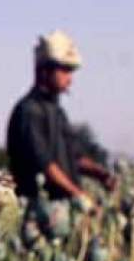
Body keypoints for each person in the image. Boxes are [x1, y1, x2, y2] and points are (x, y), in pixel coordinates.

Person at [6, 30, 116, 209]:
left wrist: (101, 174)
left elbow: (75, 157)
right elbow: (45, 164)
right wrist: (79, 195)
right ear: (44, 71)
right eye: (64, 70)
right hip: (37, 212)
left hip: (61, 210)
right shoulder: (29, 111)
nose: (70, 78)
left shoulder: (57, 112)